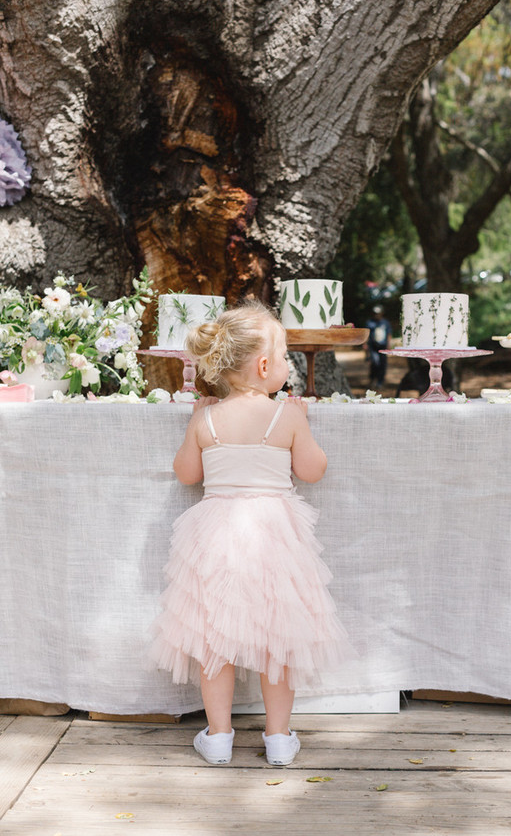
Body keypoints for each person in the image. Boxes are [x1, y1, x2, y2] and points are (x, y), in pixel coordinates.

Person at [149, 301, 352, 767]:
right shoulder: (288, 415)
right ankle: (279, 738)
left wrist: (194, 424)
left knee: (212, 638)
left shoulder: (206, 417)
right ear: (265, 366)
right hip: (274, 533)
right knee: (277, 639)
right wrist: (301, 422)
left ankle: (219, 736)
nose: (286, 367)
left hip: (216, 532)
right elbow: (313, 471)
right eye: (284, 359)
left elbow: (185, 474)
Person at [365, 305, 392, 389]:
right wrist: (365, 344)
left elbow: (389, 334)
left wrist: (388, 344)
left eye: (378, 313)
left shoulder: (385, 323)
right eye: (375, 313)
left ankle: (380, 381)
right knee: (375, 363)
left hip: (383, 346)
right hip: (373, 346)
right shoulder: (369, 322)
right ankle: (372, 379)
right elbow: (366, 334)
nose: (376, 315)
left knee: (382, 364)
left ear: (382, 313)